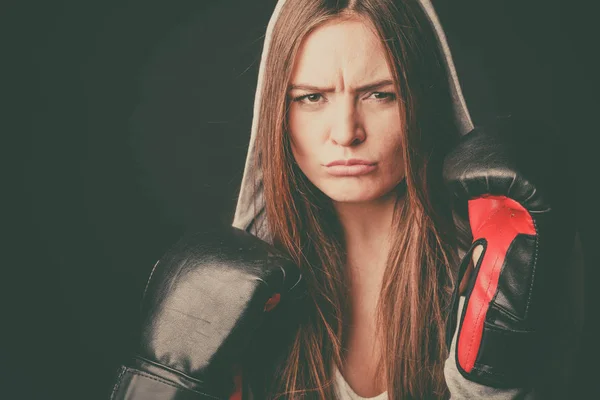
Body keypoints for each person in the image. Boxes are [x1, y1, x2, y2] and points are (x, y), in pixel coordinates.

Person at [109, 0, 584, 399]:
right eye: (312, 98)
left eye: (380, 94)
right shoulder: (237, 296)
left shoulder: (501, 260)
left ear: (423, 101)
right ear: (278, 112)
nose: (345, 133)